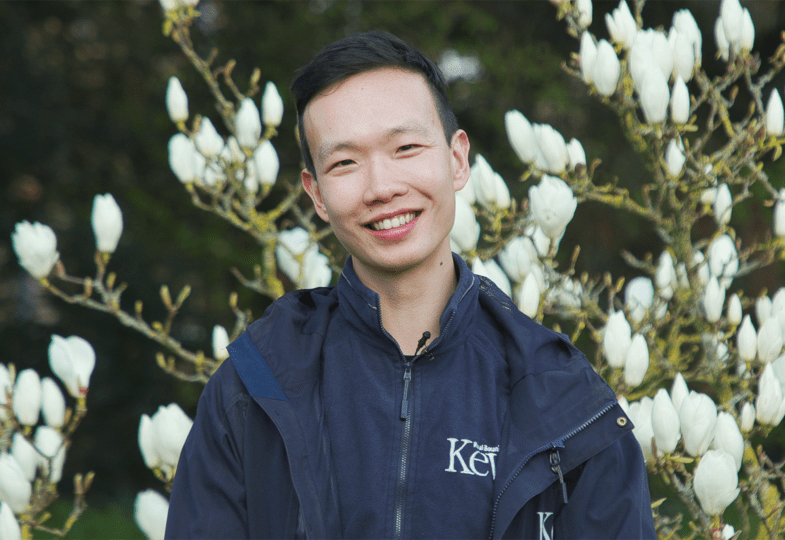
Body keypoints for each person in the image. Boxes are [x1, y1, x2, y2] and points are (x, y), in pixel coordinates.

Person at [165, 30, 656, 540]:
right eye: (345, 162)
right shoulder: (257, 385)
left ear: (457, 159)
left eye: (405, 147)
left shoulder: (563, 400)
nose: (381, 188)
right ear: (317, 194)